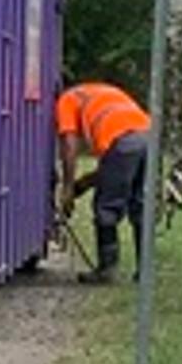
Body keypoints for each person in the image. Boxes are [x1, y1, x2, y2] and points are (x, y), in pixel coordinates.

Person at [53, 79, 155, 282]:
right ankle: (146, 272)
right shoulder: (101, 93)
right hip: (149, 136)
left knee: (106, 207)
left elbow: (69, 146)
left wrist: (67, 187)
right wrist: (81, 185)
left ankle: (107, 270)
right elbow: (112, 171)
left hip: (122, 141)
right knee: (141, 205)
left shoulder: (66, 100)